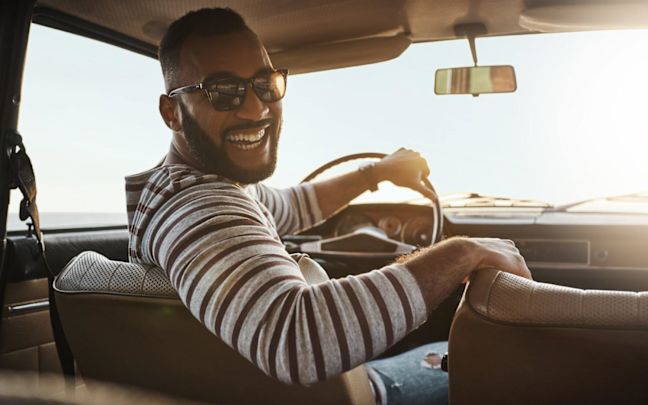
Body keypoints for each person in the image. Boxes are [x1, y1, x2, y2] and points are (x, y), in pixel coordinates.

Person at [125, 8, 531, 405]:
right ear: (171, 112)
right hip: (331, 394)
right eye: (223, 91)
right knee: (480, 362)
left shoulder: (185, 191)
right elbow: (297, 340)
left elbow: (290, 206)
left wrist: (376, 173)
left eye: (265, 84)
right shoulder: (199, 207)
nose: (255, 109)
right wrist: (462, 253)